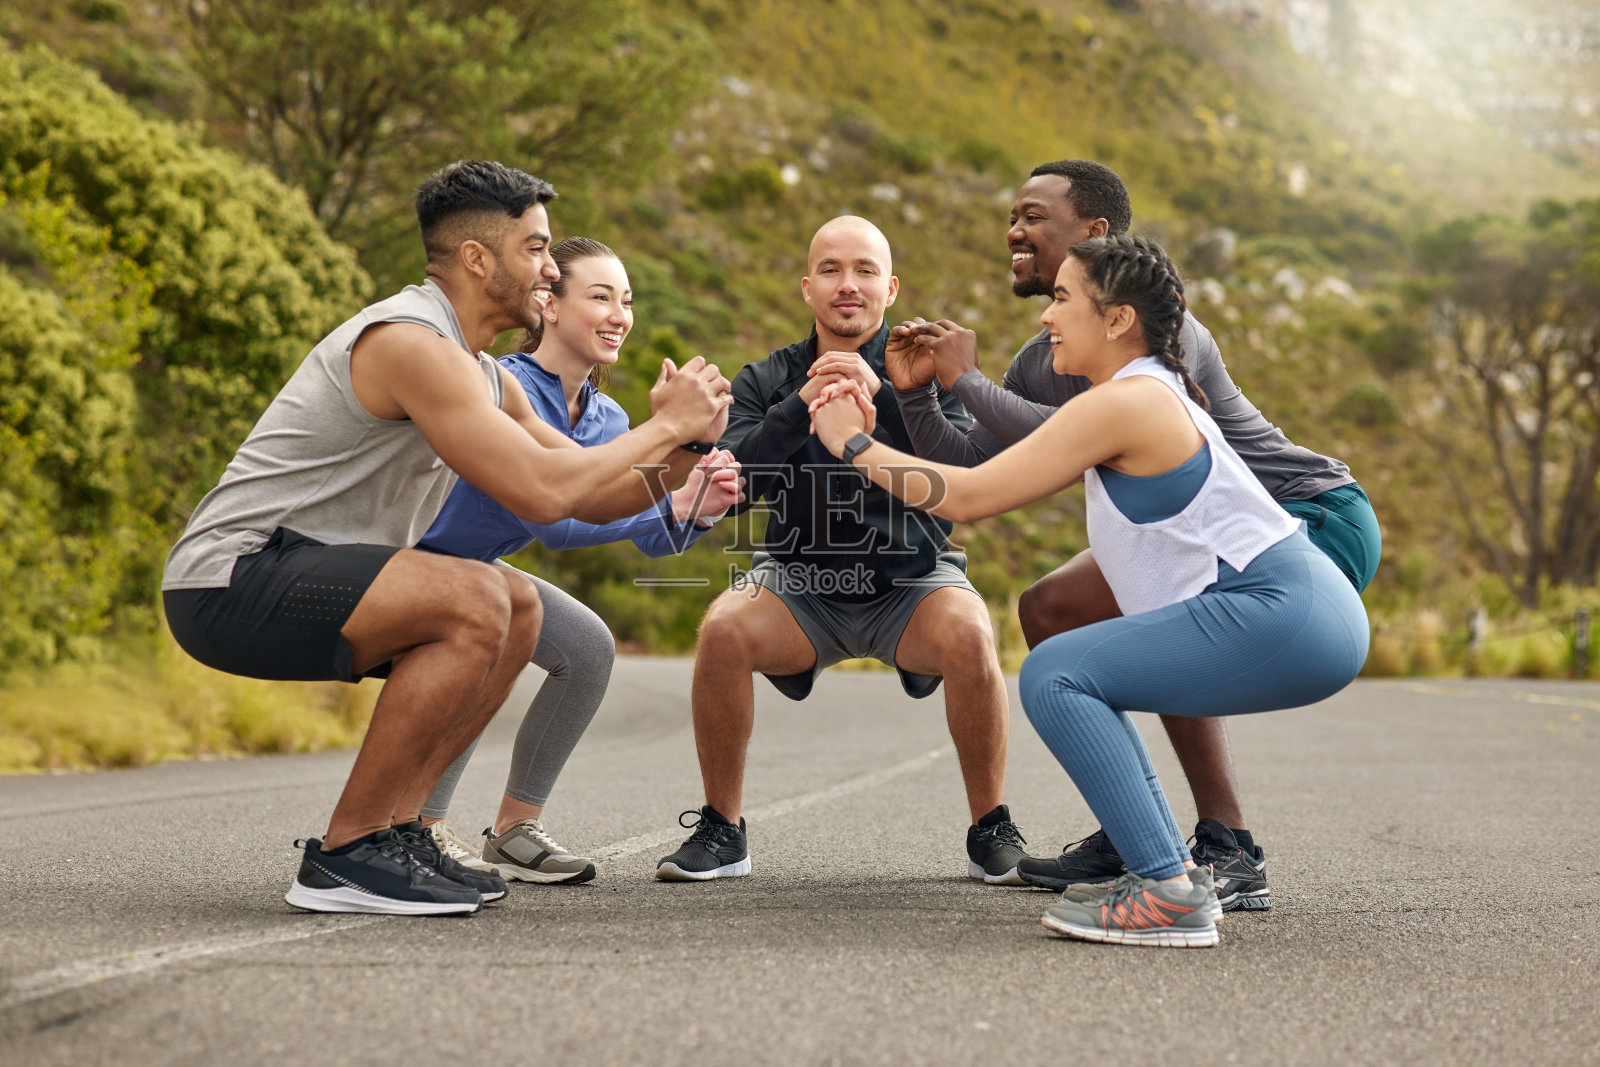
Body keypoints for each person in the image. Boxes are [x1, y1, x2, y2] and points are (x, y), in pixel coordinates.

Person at [161, 161, 731, 916]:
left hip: (312, 572)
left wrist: (688, 446)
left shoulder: (486, 374)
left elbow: (589, 496)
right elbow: (541, 493)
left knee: (518, 604)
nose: (551, 268)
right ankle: (346, 851)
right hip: (230, 577)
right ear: (475, 258)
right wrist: (664, 426)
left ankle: (405, 830)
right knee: (476, 593)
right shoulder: (410, 341)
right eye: (536, 248)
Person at [810, 234, 1369, 947]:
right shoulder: (1136, 393)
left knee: (1056, 671)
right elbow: (977, 467)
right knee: (1074, 656)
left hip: (1288, 608)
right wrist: (915, 397)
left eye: (1065, 299)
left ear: (1117, 320)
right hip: (1300, 604)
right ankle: (1167, 869)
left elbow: (971, 496)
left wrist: (852, 443)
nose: (1048, 317)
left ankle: (1168, 891)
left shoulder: (1127, 402)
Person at [654, 215, 1037, 885]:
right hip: (797, 583)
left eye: (864, 270)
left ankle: (991, 828)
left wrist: (888, 397)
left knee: (974, 632)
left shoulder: (931, 371)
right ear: (808, 288)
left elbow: (959, 480)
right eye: (831, 270)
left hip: (913, 582)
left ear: (890, 287)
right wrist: (801, 406)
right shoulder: (767, 376)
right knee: (720, 628)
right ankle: (723, 828)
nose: (847, 285)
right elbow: (730, 484)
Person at [412, 237, 744, 884]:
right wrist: (671, 467)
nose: (620, 313)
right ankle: (421, 825)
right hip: (422, 560)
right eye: (600, 296)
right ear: (549, 304)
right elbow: (556, 518)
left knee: (588, 647)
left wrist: (694, 505)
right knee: (493, 621)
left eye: (627, 300)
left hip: (479, 566)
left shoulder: (608, 415)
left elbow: (635, 526)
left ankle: (513, 830)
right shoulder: (506, 386)